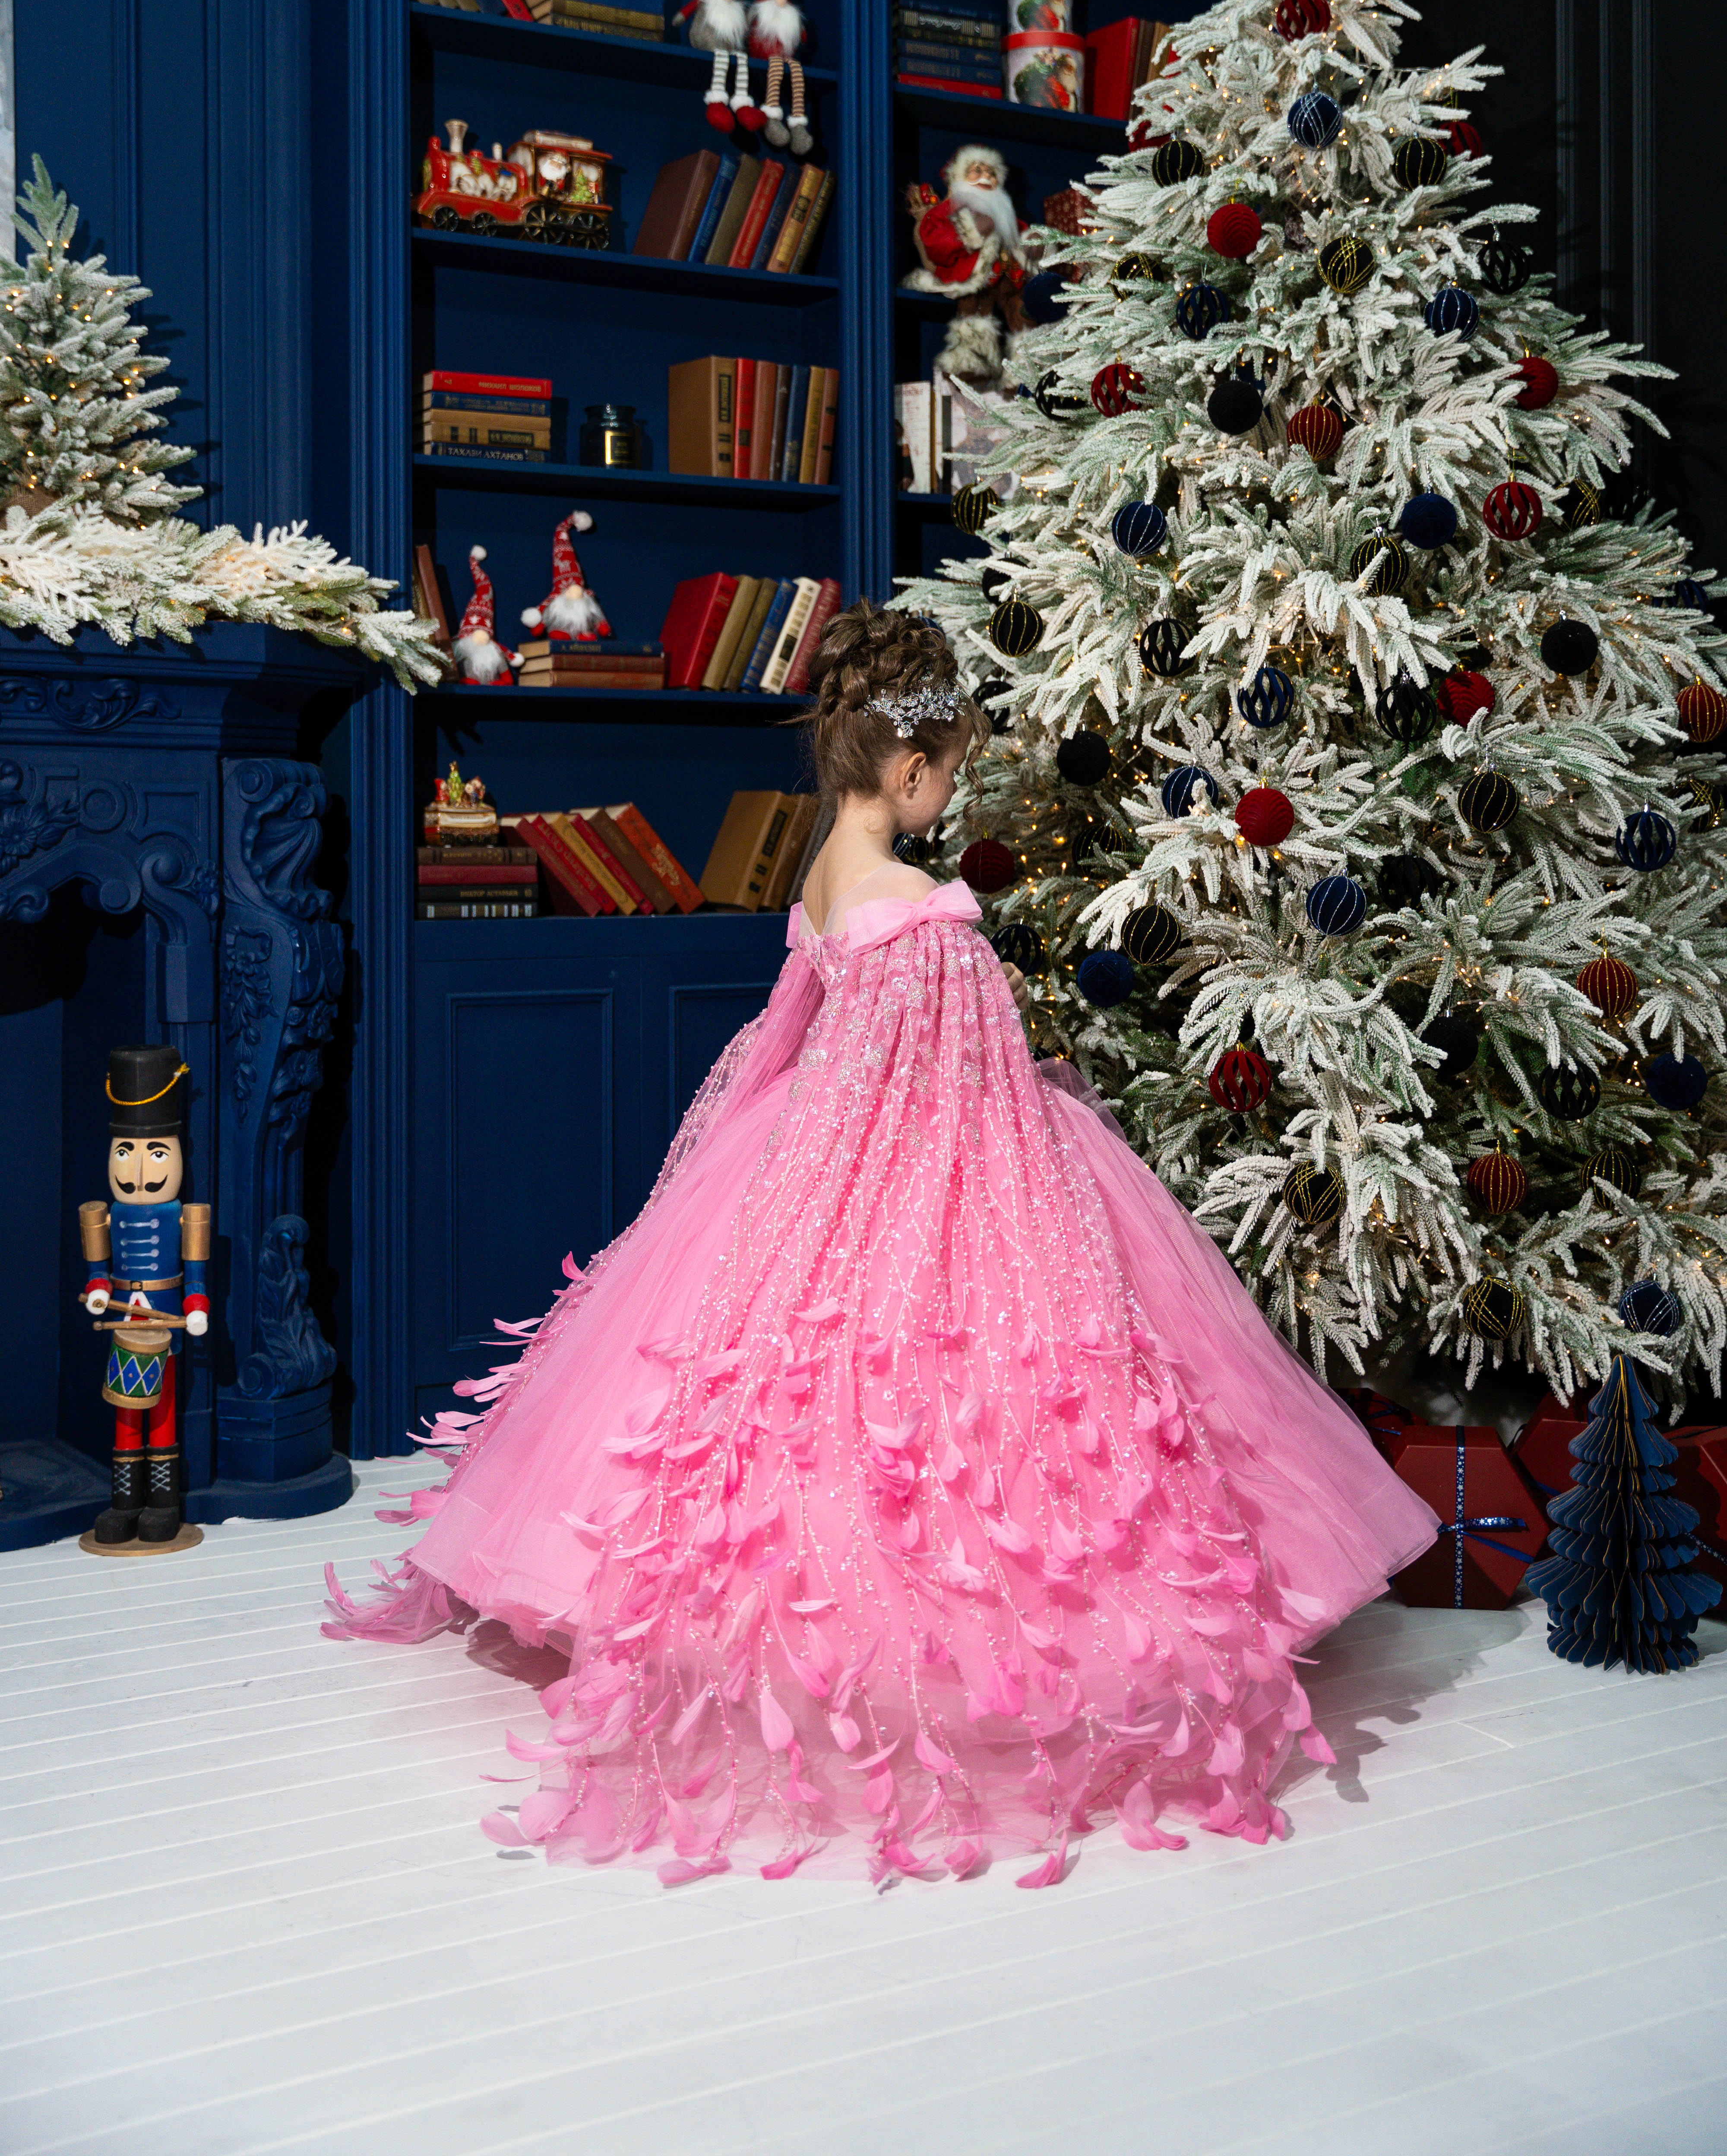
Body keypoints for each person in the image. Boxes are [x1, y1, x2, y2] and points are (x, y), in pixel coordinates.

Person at [327, 606, 1437, 1884]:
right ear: (910, 770)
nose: (951, 793)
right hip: (926, 1163)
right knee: (985, 1423)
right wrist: (1052, 1091)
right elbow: (972, 1087)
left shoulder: (820, 878)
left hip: (814, 1144)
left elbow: (793, 1038)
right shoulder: (924, 910)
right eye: (953, 773)